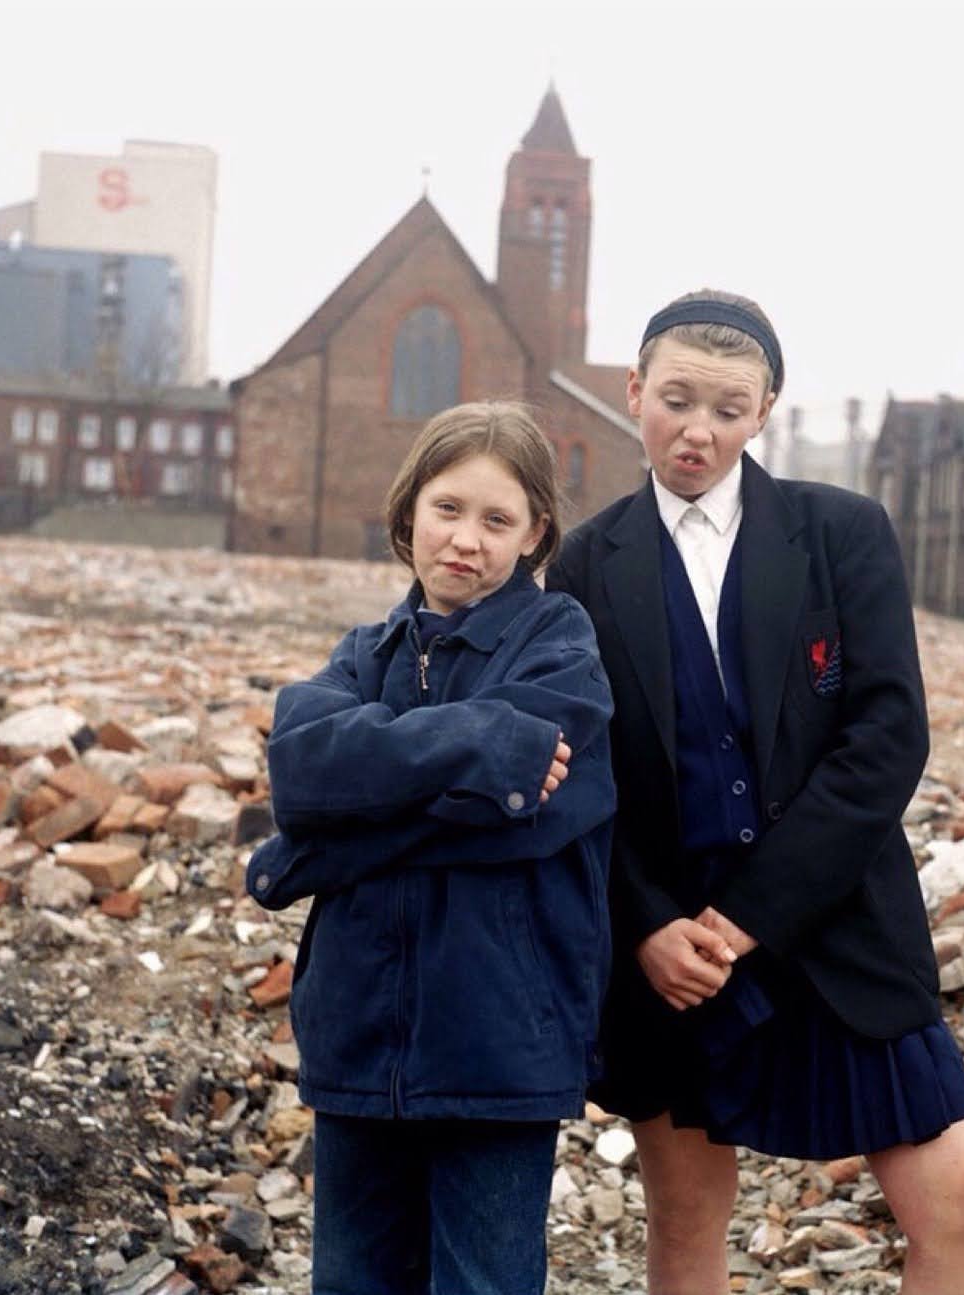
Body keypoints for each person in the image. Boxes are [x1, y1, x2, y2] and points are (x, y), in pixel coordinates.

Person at [546, 290, 964, 1295]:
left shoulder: (841, 532)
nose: (695, 430)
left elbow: (888, 737)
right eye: (673, 399)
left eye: (725, 407)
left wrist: (748, 916)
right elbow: (586, 774)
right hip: (669, 951)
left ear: (764, 411)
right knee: (685, 1222)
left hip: (836, 923)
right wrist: (648, 928)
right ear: (633, 393)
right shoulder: (584, 561)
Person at [245, 401, 616, 1295]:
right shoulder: (364, 652)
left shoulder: (564, 651)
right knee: (350, 1281)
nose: (467, 540)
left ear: (534, 536)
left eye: (498, 519)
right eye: (448, 508)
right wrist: (482, 741)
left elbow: (522, 814)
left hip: (501, 1045)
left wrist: (321, 853)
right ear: (409, 511)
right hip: (358, 1040)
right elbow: (299, 767)